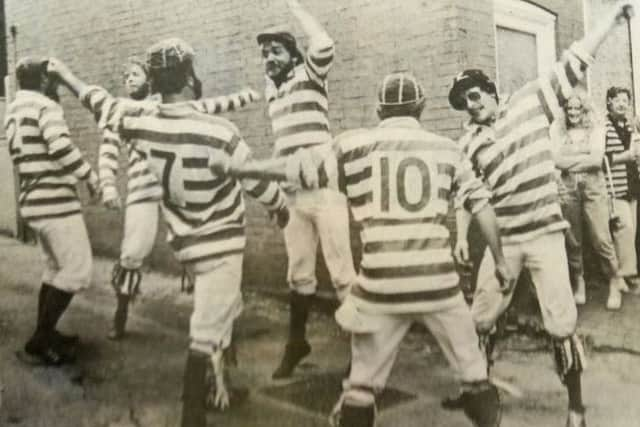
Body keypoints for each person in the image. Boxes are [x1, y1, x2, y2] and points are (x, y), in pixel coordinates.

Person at [215, 71, 513, 427]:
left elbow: (294, 168)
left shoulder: (352, 145)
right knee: (475, 377)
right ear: (420, 108)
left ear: (377, 109)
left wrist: (240, 167)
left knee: (361, 388)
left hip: (379, 285)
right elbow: (481, 206)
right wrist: (500, 261)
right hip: (438, 285)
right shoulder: (447, 149)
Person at [47, 38, 289, 427]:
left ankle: (217, 383)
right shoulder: (220, 132)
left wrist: (64, 74)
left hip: (187, 247)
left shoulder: (142, 123)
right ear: (190, 77)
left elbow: (96, 101)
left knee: (219, 314)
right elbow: (258, 182)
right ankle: (193, 414)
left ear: (155, 82)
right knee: (206, 330)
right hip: (222, 245)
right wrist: (281, 207)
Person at [447, 3, 635, 426]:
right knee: (480, 315)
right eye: (463, 102)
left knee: (560, 320)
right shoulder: (469, 143)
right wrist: (462, 236)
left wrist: (612, 18)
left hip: (546, 234)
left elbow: (579, 55)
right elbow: (467, 196)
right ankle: (478, 391)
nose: (470, 105)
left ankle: (576, 408)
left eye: (474, 95)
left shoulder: (531, 102)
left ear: (492, 91)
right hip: (504, 240)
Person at [100, 58, 262, 340]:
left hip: (176, 190)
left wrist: (244, 96)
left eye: (135, 73)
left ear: (151, 79)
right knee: (132, 251)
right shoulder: (121, 110)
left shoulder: (169, 108)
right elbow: (108, 150)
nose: (129, 79)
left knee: (204, 249)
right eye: (125, 75)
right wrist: (108, 186)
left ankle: (220, 331)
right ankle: (120, 313)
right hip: (143, 189)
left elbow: (210, 106)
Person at [257, 0, 357, 379]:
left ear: (293, 55)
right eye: (265, 52)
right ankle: (296, 343)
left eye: (276, 51)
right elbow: (282, 144)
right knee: (298, 272)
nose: (269, 57)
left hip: (326, 190)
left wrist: (294, 8)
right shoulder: (272, 91)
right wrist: (276, 193)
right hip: (292, 194)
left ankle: (361, 351)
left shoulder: (310, 75)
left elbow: (324, 43)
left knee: (342, 272)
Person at [5, 57, 99, 365]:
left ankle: (46, 332)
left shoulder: (15, 109)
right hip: (55, 202)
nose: (56, 86)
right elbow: (59, 147)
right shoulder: (46, 107)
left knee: (55, 269)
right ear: (45, 82)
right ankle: (41, 339)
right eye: (53, 81)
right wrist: (90, 175)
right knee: (77, 270)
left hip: (33, 201)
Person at [551, 90, 624, 308]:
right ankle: (579, 281)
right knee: (573, 239)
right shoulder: (557, 128)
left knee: (601, 237)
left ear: (585, 109)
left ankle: (614, 281)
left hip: (593, 187)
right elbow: (555, 159)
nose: (573, 112)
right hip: (567, 188)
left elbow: (596, 160)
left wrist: (569, 161)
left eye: (577, 108)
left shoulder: (596, 127)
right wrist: (583, 156)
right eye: (569, 108)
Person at [602, 85, 640, 308]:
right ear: (608, 102)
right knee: (622, 230)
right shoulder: (603, 127)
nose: (622, 104)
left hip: (632, 188)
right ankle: (618, 280)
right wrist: (626, 156)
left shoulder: (630, 126)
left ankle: (623, 278)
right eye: (617, 100)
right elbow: (601, 158)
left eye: (626, 100)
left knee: (628, 233)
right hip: (614, 188)